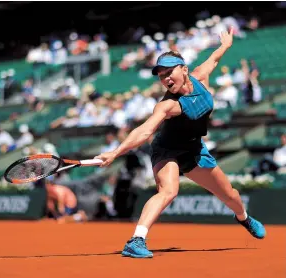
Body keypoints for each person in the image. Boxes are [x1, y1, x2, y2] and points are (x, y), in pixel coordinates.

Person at [94, 27, 266, 259]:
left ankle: (244, 218)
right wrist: (115, 152)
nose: (165, 79)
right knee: (169, 191)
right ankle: (136, 240)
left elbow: (214, 59)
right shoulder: (168, 105)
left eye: (169, 72)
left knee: (231, 195)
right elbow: (145, 130)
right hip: (167, 150)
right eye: (161, 75)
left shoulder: (200, 77)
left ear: (184, 70)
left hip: (194, 149)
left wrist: (225, 45)